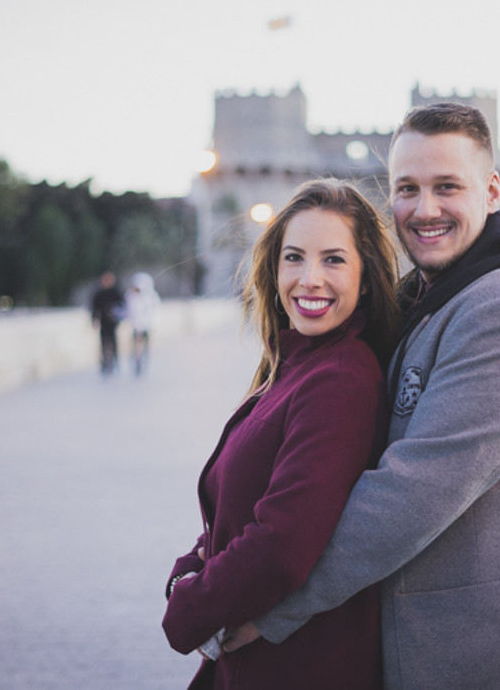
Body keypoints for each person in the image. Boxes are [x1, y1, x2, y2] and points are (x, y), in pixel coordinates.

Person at [225, 103, 500, 688]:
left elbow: (407, 496)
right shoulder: (438, 295)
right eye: (407, 189)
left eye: (447, 186)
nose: (425, 210)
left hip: (482, 656)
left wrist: (272, 606)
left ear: (492, 189)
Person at [161, 179, 401, 689]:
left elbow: (284, 541)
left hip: (296, 666)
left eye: (333, 260)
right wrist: (191, 567)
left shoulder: (339, 379)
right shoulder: (299, 366)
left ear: (366, 275)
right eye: (294, 257)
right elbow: (245, 505)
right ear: (273, 270)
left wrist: (190, 609)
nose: (309, 279)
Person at [124, 271, 160, 376]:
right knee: (136, 344)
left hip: (146, 325)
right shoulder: (130, 296)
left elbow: (154, 310)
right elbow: (128, 309)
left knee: (144, 344)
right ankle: (137, 360)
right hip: (136, 325)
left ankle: (142, 360)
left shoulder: (150, 296)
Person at [90, 271, 125, 375]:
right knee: (103, 342)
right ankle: (104, 363)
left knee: (113, 341)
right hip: (103, 321)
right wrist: (94, 320)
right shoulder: (99, 293)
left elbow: (122, 306)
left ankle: (114, 360)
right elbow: (95, 308)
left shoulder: (116, 292)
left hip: (113, 321)